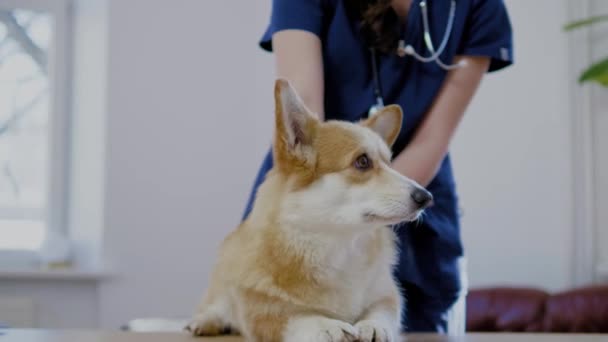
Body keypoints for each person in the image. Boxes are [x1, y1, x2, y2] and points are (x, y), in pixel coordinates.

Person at [242, 0, 513, 334]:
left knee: (406, 323)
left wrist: (384, 202)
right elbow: (302, 107)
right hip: (315, 192)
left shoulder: (477, 7)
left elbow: (433, 139)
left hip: (413, 197)